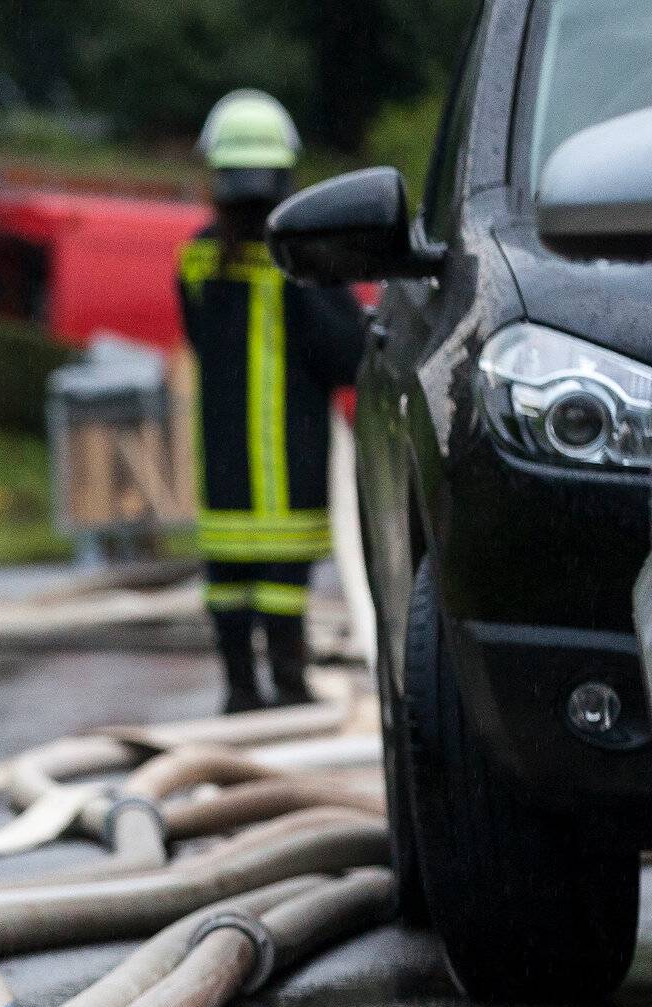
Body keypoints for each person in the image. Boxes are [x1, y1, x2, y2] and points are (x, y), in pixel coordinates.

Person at [177, 88, 364, 711]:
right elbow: (347, 354)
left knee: (227, 582)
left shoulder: (196, 259)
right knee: (284, 585)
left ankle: (238, 689)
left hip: (224, 464)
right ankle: (289, 684)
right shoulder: (301, 262)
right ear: (285, 178)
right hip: (290, 461)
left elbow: (198, 338)